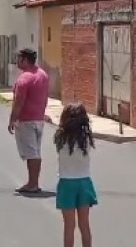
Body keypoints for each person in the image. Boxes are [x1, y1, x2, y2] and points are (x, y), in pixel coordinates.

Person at [54, 103, 97, 247]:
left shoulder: (61, 139)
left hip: (67, 183)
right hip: (84, 182)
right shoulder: (86, 140)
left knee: (69, 226)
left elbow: (59, 132)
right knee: (84, 225)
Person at [8, 48, 49, 194]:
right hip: (39, 119)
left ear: (25, 60)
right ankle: (32, 182)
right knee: (35, 151)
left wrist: (12, 119)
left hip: (26, 120)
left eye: (19, 58)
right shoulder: (43, 75)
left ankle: (33, 184)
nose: (17, 61)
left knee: (32, 153)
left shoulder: (24, 78)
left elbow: (19, 102)